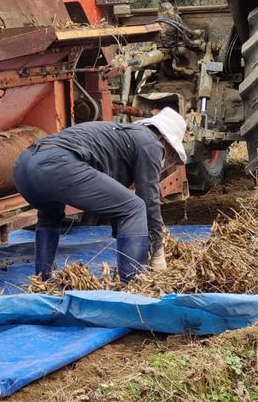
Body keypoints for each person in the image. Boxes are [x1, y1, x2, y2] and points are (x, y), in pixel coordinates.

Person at [12, 107, 187, 282]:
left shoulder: (123, 137)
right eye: (171, 154)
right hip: (57, 164)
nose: (167, 159)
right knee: (135, 207)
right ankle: (134, 286)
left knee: (50, 215)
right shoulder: (150, 143)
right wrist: (157, 249)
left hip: (23, 166)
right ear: (164, 139)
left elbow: (114, 204)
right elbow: (148, 199)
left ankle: (43, 281)